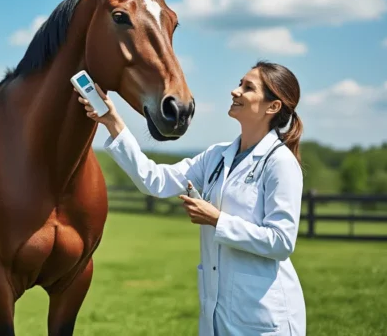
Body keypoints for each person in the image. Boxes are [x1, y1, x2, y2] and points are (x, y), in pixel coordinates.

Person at [77, 61, 306, 336]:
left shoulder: (279, 162)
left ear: (273, 107)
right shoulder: (216, 156)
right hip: (217, 312)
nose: (235, 91)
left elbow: (281, 242)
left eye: (248, 88)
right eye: (239, 83)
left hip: (263, 315)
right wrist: (113, 122)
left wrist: (216, 220)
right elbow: (155, 180)